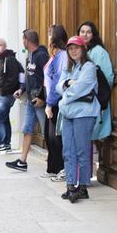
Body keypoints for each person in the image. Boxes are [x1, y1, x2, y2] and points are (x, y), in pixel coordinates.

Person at [57, 36, 101, 203]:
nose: (73, 51)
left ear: (83, 49)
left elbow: (81, 88)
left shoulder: (89, 67)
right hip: (68, 112)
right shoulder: (69, 67)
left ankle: (82, 187)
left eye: (76, 47)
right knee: (67, 151)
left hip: (84, 113)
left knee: (82, 150)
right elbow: (58, 85)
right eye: (70, 48)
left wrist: (65, 94)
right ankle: (70, 186)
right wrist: (68, 82)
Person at [78, 21, 115, 182]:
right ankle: (86, 173)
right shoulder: (79, 52)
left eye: (88, 32)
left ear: (94, 35)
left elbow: (108, 77)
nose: (85, 34)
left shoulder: (99, 52)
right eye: (82, 31)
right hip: (82, 102)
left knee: (95, 138)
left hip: (96, 101)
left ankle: (93, 173)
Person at [9, 30, 50, 172]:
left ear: (26, 40)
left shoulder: (42, 56)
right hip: (30, 100)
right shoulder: (30, 56)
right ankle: (22, 161)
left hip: (40, 101)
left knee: (48, 132)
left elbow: (48, 78)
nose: (22, 42)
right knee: (27, 129)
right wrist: (22, 89)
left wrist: (43, 99)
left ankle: (55, 163)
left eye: (23, 39)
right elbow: (29, 77)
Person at [42, 24, 69, 180]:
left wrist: (50, 104)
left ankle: (61, 168)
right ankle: (52, 167)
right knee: (49, 136)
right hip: (49, 100)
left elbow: (57, 81)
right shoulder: (54, 55)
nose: (48, 37)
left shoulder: (63, 56)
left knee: (56, 137)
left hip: (56, 101)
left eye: (49, 34)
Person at [0, 38, 25, 157]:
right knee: (4, 119)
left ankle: (1, 144)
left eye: (0, 45)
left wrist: (2, 91)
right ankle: (6, 144)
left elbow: (13, 78)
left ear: (5, 47)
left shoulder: (9, 59)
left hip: (5, 95)